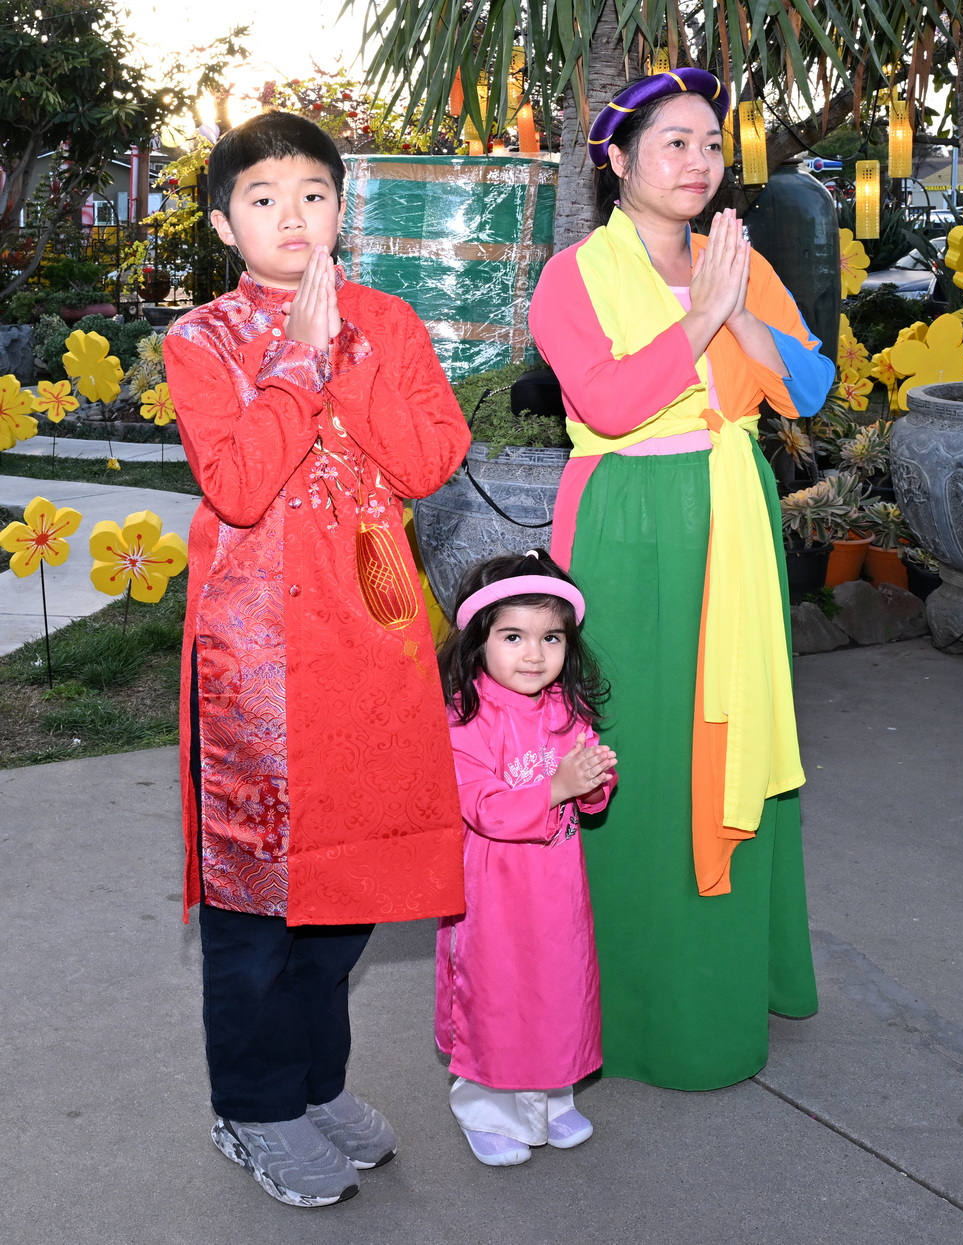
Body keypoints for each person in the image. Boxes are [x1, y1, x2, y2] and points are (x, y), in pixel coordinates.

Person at [162, 111, 470, 1207]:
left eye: (312, 194)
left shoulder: (387, 320)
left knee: (353, 881)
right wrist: (299, 360)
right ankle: (253, 1106)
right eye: (263, 198)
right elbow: (240, 485)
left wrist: (347, 351)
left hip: (373, 642)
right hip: (254, 665)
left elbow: (429, 460)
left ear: (343, 208)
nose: (291, 215)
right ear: (223, 224)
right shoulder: (201, 340)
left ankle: (315, 1082)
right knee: (257, 907)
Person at [528, 69, 835, 1091]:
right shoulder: (572, 276)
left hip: (733, 521)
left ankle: (725, 982)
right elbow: (609, 405)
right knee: (638, 750)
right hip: (630, 525)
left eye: (710, 144)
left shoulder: (735, 260)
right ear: (617, 161)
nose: (697, 161)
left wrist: (736, 314)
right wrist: (701, 318)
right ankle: (621, 1004)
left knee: (735, 740)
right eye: (673, 143)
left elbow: (808, 389)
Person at [434, 550, 617, 1166]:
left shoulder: (566, 709)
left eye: (551, 638)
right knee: (500, 998)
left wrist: (592, 782)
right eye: (513, 637)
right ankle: (487, 1109)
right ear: (478, 641)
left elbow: (590, 794)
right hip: (493, 900)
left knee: (559, 989)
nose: (534, 655)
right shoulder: (465, 719)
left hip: (558, 891)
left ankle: (551, 1096)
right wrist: (558, 786)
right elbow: (484, 808)